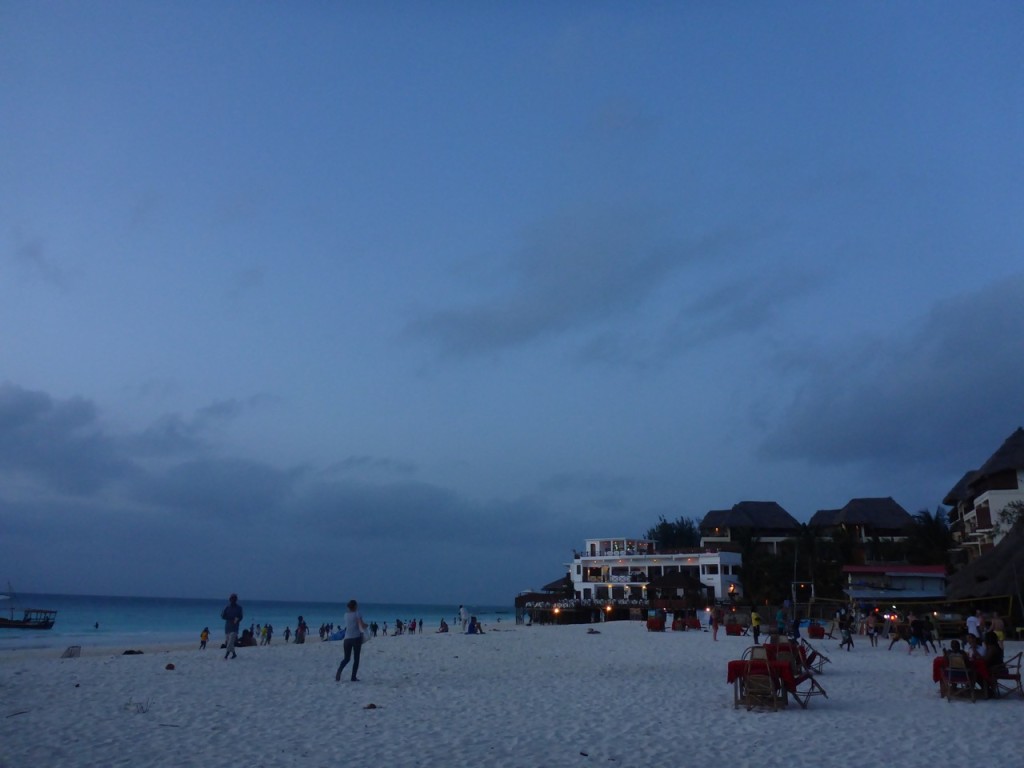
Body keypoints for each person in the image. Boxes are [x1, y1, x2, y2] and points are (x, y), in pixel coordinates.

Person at [335, 600, 368, 682]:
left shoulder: (345, 615)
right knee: (356, 659)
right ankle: (353, 677)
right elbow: (361, 625)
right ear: (355, 606)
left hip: (346, 639)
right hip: (356, 638)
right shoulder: (357, 613)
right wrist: (366, 625)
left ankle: (339, 671)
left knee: (346, 658)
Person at [221, 593, 243, 660]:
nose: (233, 600)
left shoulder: (239, 608)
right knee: (230, 643)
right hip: (227, 628)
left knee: (230, 642)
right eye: (232, 599)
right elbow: (222, 616)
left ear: (236, 600)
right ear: (230, 600)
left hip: (235, 628)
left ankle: (226, 655)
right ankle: (234, 654)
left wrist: (237, 619)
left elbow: (241, 617)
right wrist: (230, 618)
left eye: (234, 599)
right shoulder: (227, 607)